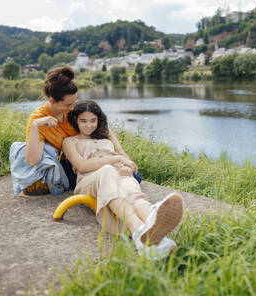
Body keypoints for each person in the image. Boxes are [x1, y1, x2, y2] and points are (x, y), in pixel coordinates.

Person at [63, 100, 183, 258]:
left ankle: (153, 228)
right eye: (83, 121)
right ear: (76, 121)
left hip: (116, 174)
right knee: (107, 171)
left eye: (93, 120)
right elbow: (82, 166)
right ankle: (138, 228)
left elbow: (124, 157)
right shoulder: (70, 141)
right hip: (90, 180)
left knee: (130, 186)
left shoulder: (106, 136)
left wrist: (127, 167)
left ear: (99, 120)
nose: (89, 125)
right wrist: (114, 160)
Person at [14, 66, 135, 196]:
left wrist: (123, 158)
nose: (72, 108)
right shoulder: (38, 119)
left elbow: (102, 129)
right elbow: (32, 160)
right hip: (74, 165)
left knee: (133, 176)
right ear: (52, 101)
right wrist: (35, 126)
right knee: (110, 180)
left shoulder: (72, 111)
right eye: (68, 105)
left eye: (74, 102)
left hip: (94, 157)